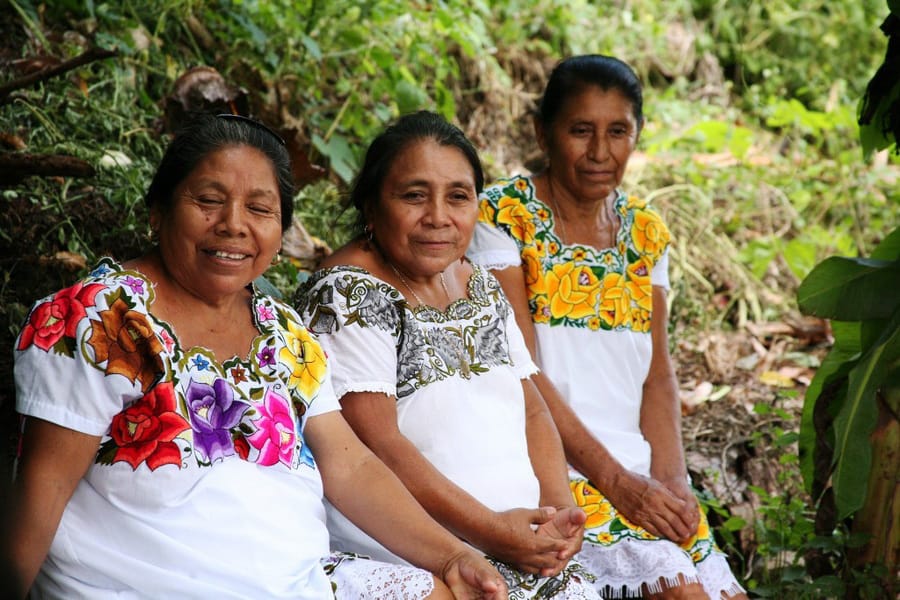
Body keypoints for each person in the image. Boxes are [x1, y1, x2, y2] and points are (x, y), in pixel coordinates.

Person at [4, 113, 509, 599]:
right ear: (157, 210)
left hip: (296, 583)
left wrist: (449, 557)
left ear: (281, 229)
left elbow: (350, 467)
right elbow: (41, 489)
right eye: (208, 200)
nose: (233, 225)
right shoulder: (97, 319)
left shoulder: (282, 331)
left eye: (260, 209)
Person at [467, 55, 748, 600]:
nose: (600, 152)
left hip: (642, 476)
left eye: (618, 131)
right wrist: (618, 483)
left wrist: (673, 485)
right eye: (581, 130)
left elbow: (658, 378)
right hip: (556, 474)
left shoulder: (647, 233)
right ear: (542, 132)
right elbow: (520, 370)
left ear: (637, 135)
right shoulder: (503, 218)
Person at [294, 111, 600, 599]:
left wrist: (559, 514)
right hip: (418, 555)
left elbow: (533, 407)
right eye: (414, 196)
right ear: (371, 206)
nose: (438, 216)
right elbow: (380, 446)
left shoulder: (478, 282)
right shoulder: (350, 294)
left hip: (514, 544)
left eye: (458, 196)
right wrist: (493, 533)